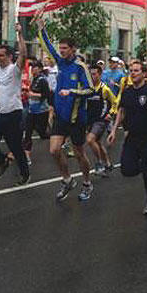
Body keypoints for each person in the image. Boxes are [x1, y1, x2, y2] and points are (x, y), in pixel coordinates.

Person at [36, 17, 94, 201]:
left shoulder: (80, 67)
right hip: (61, 116)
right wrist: (41, 29)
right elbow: (47, 47)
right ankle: (68, 180)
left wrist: (72, 92)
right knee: (54, 150)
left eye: (64, 49)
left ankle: (86, 182)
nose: (61, 51)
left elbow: (91, 89)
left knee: (79, 154)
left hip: (76, 118)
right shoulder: (60, 63)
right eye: (60, 48)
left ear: (73, 49)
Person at [108, 60, 147, 216]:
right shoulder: (127, 91)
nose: (133, 73)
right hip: (132, 137)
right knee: (126, 169)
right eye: (131, 71)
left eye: (136, 71)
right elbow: (122, 111)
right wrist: (114, 130)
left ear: (143, 73)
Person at [0, 23, 30, 185]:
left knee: (15, 147)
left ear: (10, 57)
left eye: (2, 55)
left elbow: (23, 53)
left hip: (13, 114)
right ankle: (3, 160)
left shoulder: (14, 70)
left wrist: (20, 34)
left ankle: (25, 173)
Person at [86, 64, 117, 176]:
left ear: (100, 74)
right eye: (90, 74)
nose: (92, 76)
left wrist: (110, 113)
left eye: (94, 74)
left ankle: (99, 163)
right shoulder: (87, 88)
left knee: (90, 140)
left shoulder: (105, 89)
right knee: (97, 143)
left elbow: (115, 102)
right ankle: (108, 164)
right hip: (90, 120)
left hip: (101, 120)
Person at [22, 60, 50, 164]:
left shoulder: (43, 80)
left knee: (42, 134)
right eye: (32, 67)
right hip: (31, 111)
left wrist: (32, 95)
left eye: (35, 67)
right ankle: (26, 156)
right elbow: (31, 92)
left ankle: (58, 137)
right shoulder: (34, 79)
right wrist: (26, 92)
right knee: (28, 133)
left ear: (40, 69)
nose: (33, 69)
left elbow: (46, 94)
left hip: (41, 111)